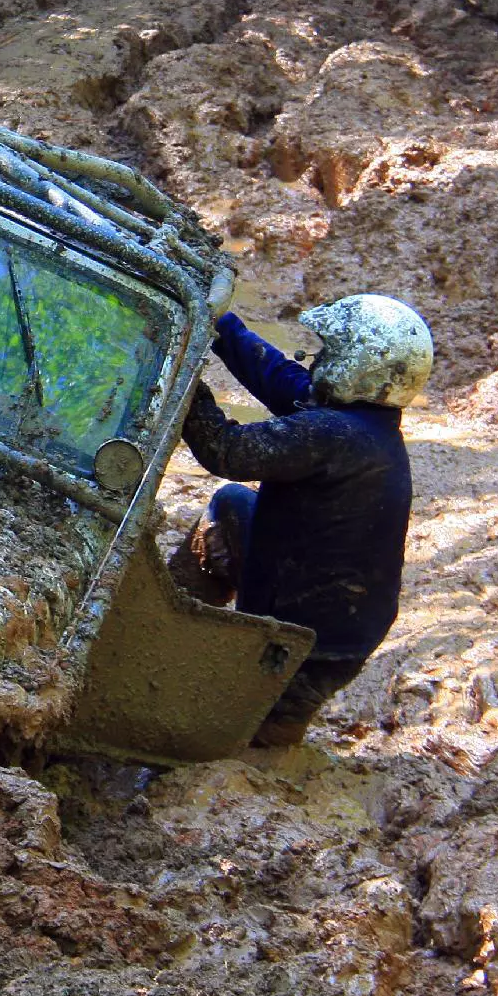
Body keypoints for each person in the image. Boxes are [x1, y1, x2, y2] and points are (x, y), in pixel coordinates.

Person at [178, 295, 434, 746]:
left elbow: (225, 449)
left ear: (356, 363)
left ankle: (249, 701)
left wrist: (180, 379)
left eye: (330, 352)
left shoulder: (336, 435)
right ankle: (184, 621)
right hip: (336, 625)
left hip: (309, 645)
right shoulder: (361, 423)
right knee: (233, 506)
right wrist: (221, 324)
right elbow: (278, 378)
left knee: (235, 735)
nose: (318, 359)